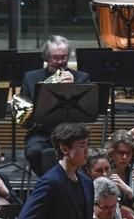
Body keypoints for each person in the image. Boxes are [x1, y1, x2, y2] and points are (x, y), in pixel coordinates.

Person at [20, 35, 91, 177]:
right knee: (34, 151)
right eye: (55, 58)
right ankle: (48, 182)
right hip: (41, 132)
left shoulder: (81, 78)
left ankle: (69, 182)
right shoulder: (31, 78)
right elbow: (25, 112)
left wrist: (73, 88)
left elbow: (87, 112)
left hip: (72, 134)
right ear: (46, 57)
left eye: (63, 58)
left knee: (79, 153)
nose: (60, 62)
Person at [104, 130, 134, 218]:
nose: (124, 157)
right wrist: (128, 191)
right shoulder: (104, 173)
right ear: (112, 153)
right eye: (120, 153)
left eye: (128, 153)